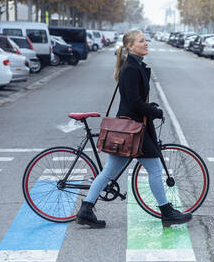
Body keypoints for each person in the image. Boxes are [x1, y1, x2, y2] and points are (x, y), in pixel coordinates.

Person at [76, 30, 192, 229]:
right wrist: (153, 111)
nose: (146, 43)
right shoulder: (130, 68)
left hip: (133, 127)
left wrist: (150, 108)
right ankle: (167, 213)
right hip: (133, 129)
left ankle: (86, 209)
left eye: (145, 40)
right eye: (142, 41)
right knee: (155, 169)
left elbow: (136, 100)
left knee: (109, 171)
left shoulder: (135, 65)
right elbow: (134, 102)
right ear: (131, 46)